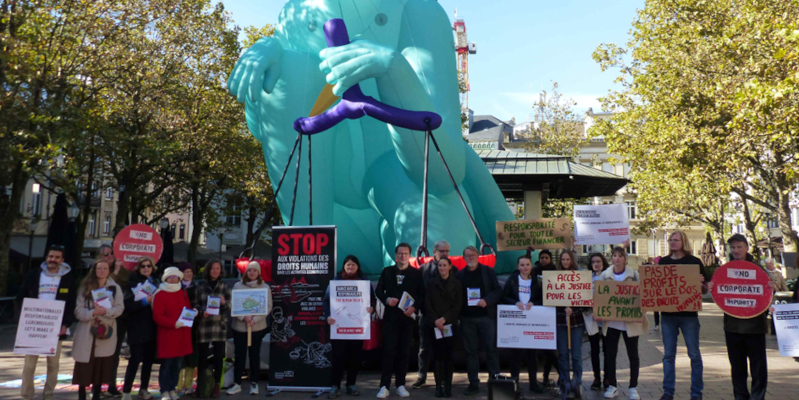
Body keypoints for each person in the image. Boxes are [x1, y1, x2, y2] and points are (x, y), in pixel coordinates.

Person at [707, 234, 776, 400]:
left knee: (758, 367)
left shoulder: (759, 269)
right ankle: (740, 397)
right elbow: (720, 293)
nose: (736, 250)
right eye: (733, 247)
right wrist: (712, 287)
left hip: (755, 327)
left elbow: (768, 296)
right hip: (732, 327)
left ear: (746, 247)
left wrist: (771, 288)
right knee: (737, 368)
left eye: (739, 247)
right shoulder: (723, 271)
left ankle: (757, 397)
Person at [18, 245, 77, 400]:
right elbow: (21, 297)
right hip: (33, 327)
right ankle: (26, 395)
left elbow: (71, 304)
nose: (53, 260)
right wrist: (23, 320)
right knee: (29, 366)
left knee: (53, 366)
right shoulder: (33, 275)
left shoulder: (68, 278)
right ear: (46, 258)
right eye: (51, 256)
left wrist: (66, 325)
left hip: (56, 329)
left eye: (57, 257)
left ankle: (48, 395)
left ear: (62, 260)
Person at [657, 231, 707, 400]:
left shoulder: (694, 262)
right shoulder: (663, 263)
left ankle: (696, 393)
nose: (672, 242)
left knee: (694, 354)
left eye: (675, 240)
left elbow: (705, 289)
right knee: (668, 355)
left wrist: (700, 284)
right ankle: (668, 392)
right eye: (670, 240)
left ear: (683, 242)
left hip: (689, 316)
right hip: (668, 316)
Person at [375, 243, 425, 399]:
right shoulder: (387, 272)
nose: (403, 256)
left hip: (407, 320)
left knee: (404, 352)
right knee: (388, 352)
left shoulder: (416, 274)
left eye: (406, 253)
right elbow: (378, 291)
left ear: (409, 255)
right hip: (390, 319)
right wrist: (387, 299)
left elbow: (422, 295)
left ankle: (401, 385)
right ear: (396, 256)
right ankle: (384, 386)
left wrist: (414, 308)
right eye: (400, 253)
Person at [597, 247, 648, 400]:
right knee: (610, 355)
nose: (617, 258)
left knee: (633, 354)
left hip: (630, 321)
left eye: (620, 256)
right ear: (611, 258)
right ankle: (612, 385)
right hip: (612, 322)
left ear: (625, 259)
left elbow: (644, 294)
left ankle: (633, 387)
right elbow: (599, 296)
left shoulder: (634, 275)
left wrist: (642, 312)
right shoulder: (605, 275)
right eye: (614, 256)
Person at [72, 259, 125, 400]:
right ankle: (82, 396)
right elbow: (78, 311)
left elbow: (119, 309)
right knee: (84, 369)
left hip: (105, 332)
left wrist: (104, 312)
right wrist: (93, 313)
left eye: (105, 268)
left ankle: (96, 396)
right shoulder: (85, 287)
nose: (101, 271)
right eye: (99, 268)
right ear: (94, 270)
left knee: (100, 369)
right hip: (87, 332)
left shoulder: (115, 288)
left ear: (109, 271)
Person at [324, 255, 375, 399]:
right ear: (344, 267)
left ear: (358, 267)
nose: (350, 267)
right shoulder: (336, 281)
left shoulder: (364, 282)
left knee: (355, 358)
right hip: (338, 327)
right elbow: (326, 300)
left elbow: (373, 300)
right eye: (348, 265)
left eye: (353, 265)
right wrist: (328, 315)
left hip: (357, 328)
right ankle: (335, 386)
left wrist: (372, 308)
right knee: (337, 358)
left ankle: (351, 385)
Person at [456, 245, 501, 396]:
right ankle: (473, 383)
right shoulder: (460, 275)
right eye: (467, 256)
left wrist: (486, 300)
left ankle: (495, 381)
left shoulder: (488, 272)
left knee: (491, 350)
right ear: (463, 258)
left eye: (473, 255)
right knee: (470, 352)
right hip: (467, 319)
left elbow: (497, 291)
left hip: (486, 317)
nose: (470, 258)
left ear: (478, 256)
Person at [500, 254, 544, 394]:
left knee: (532, 354)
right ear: (518, 267)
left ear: (531, 266)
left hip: (532, 321)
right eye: (522, 265)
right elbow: (503, 296)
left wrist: (533, 303)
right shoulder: (513, 279)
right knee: (516, 355)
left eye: (527, 265)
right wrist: (515, 303)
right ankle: (515, 383)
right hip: (516, 322)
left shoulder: (537, 280)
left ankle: (533, 383)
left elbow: (543, 299)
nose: (525, 267)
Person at [228, 261, 273, 395]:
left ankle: (254, 383)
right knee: (239, 356)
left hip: (257, 328)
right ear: (246, 272)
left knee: (254, 355)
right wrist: (243, 317)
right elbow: (232, 304)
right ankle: (237, 383)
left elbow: (268, 306)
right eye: (249, 270)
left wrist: (255, 319)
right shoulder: (237, 286)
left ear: (258, 272)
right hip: (239, 328)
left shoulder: (264, 287)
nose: (252, 273)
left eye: (254, 270)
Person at [152, 267, 194, 400]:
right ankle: (164, 390)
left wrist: (193, 313)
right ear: (165, 278)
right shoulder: (160, 294)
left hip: (181, 335)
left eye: (175, 276)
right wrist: (174, 323)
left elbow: (187, 309)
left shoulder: (183, 293)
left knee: (177, 365)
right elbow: (157, 316)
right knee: (166, 365)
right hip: (167, 335)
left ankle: (172, 389)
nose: (173, 279)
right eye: (170, 277)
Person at [413, 240, 450, 389]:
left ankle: (441, 378)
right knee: (424, 348)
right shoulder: (423, 269)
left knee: (442, 348)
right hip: (426, 316)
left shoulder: (452, 269)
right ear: (434, 252)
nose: (445, 254)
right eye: (442, 251)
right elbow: (417, 291)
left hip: (444, 318)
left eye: (447, 251)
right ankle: (421, 376)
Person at [121, 257, 160, 400]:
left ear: (152, 267)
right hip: (136, 326)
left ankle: (144, 389)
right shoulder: (132, 283)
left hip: (152, 326)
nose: (146, 268)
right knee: (135, 359)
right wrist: (144, 302)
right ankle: (126, 391)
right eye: (143, 266)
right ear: (138, 268)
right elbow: (127, 306)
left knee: (149, 361)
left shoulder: (157, 282)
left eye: (148, 266)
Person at [192, 259, 232, 398]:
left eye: (218, 268)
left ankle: (216, 385)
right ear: (208, 270)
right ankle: (201, 385)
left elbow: (230, 306)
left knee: (218, 357)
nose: (215, 271)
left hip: (219, 326)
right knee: (202, 358)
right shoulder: (200, 285)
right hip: (204, 325)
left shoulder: (224, 285)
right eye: (212, 268)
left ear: (221, 270)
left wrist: (224, 303)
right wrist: (202, 313)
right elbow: (194, 304)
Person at [424, 257, 462, 398]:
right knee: (437, 356)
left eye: (445, 265)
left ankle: (448, 386)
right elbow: (427, 304)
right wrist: (436, 320)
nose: (442, 268)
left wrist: (444, 319)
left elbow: (457, 306)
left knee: (448, 357)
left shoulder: (457, 284)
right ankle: (438, 386)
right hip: (435, 326)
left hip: (450, 324)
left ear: (450, 267)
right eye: (440, 265)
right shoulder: (431, 283)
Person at [555, 250, 586, 399]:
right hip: (561, 320)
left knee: (576, 354)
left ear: (572, 260)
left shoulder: (579, 276)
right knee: (562, 353)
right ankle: (564, 381)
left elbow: (585, 299)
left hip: (575, 322)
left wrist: (574, 309)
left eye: (568, 259)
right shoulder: (554, 276)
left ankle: (577, 381)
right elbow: (551, 297)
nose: (565, 262)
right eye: (563, 259)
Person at [529, 248, 560, 388]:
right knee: (539, 347)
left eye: (546, 258)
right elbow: (524, 265)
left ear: (550, 259)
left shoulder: (555, 272)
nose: (544, 260)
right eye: (542, 258)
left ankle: (548, 375)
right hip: (535, 310)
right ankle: (544, 377)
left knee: (549, 347)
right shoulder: (533, 272)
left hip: (551, 311)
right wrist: (528, 253)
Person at [105, 250, 131, 398]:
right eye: (105, 254)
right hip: (100, 318)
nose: (109, 257)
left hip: (119, 317)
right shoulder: (96, 271)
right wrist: (115, 271)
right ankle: (96, 385)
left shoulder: (124, 272)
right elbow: (105, 287)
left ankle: (111, 384)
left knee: (114, 353)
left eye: (111, 254)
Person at [585, 253, 609, 391]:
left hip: (606, 318)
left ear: (603, 262)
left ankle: (607, 377)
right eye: (593, 262)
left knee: (607, 349)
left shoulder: (609, 277)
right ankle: (596, 378)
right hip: (591, 316)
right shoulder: (587, 278)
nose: (596, 264)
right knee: (594, 349)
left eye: (598, 261)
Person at [176, 262, 199, 396]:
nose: (188, 274)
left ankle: (189, 384)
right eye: (185, 272)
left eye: (190, 271)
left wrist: (197, 311)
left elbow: (201, 302)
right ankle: (178, 385)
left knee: (192, 356)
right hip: (179, 325)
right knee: (180, 356)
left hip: (194, 325)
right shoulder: (175, 286)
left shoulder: (197, 286)